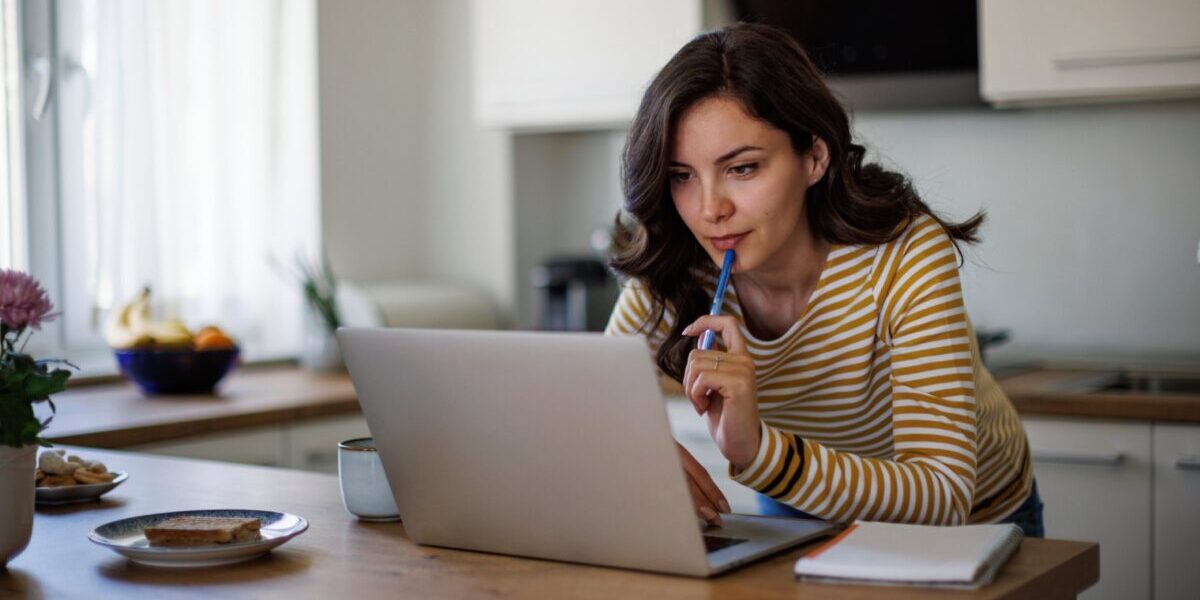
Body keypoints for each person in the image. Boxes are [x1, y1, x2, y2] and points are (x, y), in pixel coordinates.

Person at [604, 23, 1043, 537]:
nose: (709, 211)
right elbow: (592, 405)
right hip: (802, 506)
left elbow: (943, 491)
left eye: (742, 168)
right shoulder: (679, 262)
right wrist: (638, 451)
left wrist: (761, 454)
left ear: (814, 157)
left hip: (973, 523)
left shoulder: (904, 253)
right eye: (682, 176)